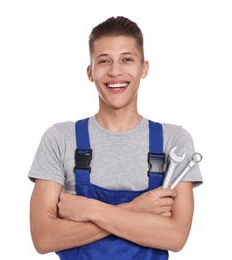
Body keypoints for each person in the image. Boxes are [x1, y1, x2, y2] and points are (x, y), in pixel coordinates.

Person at [28, 16, 203, 260]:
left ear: (144, 68)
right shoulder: (60, 138)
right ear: (90, 72)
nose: (115, 71)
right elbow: (44, 237)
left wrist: (88, 209)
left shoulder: (173, 140)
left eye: (127, 59)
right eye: (103, 61)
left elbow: (175, 237)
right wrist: (135, 210)